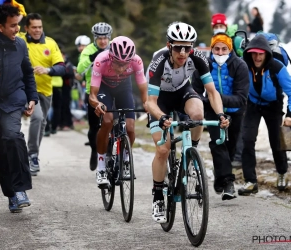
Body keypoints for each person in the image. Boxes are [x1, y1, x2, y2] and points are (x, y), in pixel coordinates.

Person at [147, 22, 229, 223]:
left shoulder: (198, 58)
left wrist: (220, 114)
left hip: (183, 91)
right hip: (160, 100)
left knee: (198, 113)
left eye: (187, 47)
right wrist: (162, 117)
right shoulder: (158, 62)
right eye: (178, 47)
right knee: (163, 149)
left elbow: (211, 92)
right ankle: (158, 196)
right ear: (169, 46)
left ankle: (191, 153)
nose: (183, 52)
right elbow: (150, 103)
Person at [0, 4, 38, 212]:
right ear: (0, 27)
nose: (17, 29)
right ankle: (11, 194)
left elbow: (28, 73)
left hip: (12, 98)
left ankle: (20, 190)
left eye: (18, 24)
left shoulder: (20, 45)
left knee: (12, 136)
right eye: (13, 26)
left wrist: (32, 98)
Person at [192, 32, 249, 200]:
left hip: (235, 113)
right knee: (218, 143)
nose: (220, 53)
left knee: (230, 149)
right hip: (212, 112)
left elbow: (241, 98)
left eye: (224, 49)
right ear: (212, 49)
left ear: (230, 49)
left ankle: (220, 178)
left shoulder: (239, 66)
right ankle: (229, 183)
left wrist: (216, 97)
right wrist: (209, 101)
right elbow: (194, 92)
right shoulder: (203, 66)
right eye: (216, 49)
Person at [89, 36, 148, 186]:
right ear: (110, 57)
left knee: (130, 127)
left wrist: (147, 104)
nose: (121, 68)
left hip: (123, 87)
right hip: (104, 88)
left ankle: (125, 159)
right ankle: (101, 165)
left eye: (125, 64)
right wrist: (97, 105)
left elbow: (143, 89)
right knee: (107, 121)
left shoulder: (136, 61)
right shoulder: (100, 60)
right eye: (117, 63)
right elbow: (92, 95)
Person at [238, 35, 291, 195]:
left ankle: (282, 173)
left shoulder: (277, 67)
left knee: (276, 141)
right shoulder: (244, 66)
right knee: (247, 139)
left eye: (261, 53)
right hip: (253, 104)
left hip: (273, 105)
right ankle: (250, 181)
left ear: (267, 54)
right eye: (254, 53)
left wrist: (290, 114)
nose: (257, 57)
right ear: (249, 53)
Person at [19, 13, 66, 176]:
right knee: (37, 118)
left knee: (42, 122)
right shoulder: (19, 40)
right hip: (23, 90)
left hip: (45, 90)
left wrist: (48, 70)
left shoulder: (50, 43)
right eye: (34, 27)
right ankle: (31, 155)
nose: (37, 30)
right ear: (26, 28)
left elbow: (62, 67)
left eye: (40, 27)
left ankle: (32, 155)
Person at [77, 22, 113, 171]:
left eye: (105, 38)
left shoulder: (114, 48)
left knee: (112, 121)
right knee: (93, 126)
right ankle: (94, 149)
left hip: (111, 90)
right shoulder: (88, 50)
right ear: (95, 38)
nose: (103, 41)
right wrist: (92, 57)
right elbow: (79, 69)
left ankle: (110, 150)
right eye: (100, 38)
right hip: (93, 93)